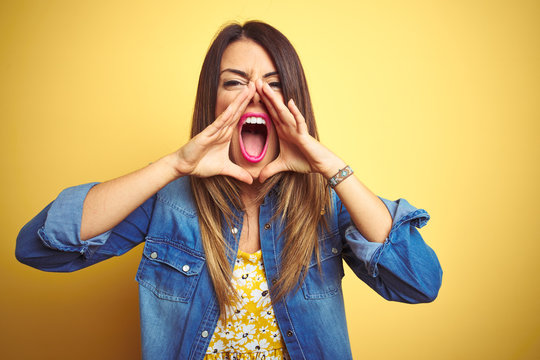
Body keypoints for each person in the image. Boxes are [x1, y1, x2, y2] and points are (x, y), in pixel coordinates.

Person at [15, 21, 442, 360]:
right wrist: (175, 164)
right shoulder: (170, 199)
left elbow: (419, 281)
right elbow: (38, 247)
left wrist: (328, 166)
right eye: (235, 83)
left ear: (294, 103)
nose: (255, 97)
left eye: (273, 85)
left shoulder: (325, 200)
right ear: (211, 100)